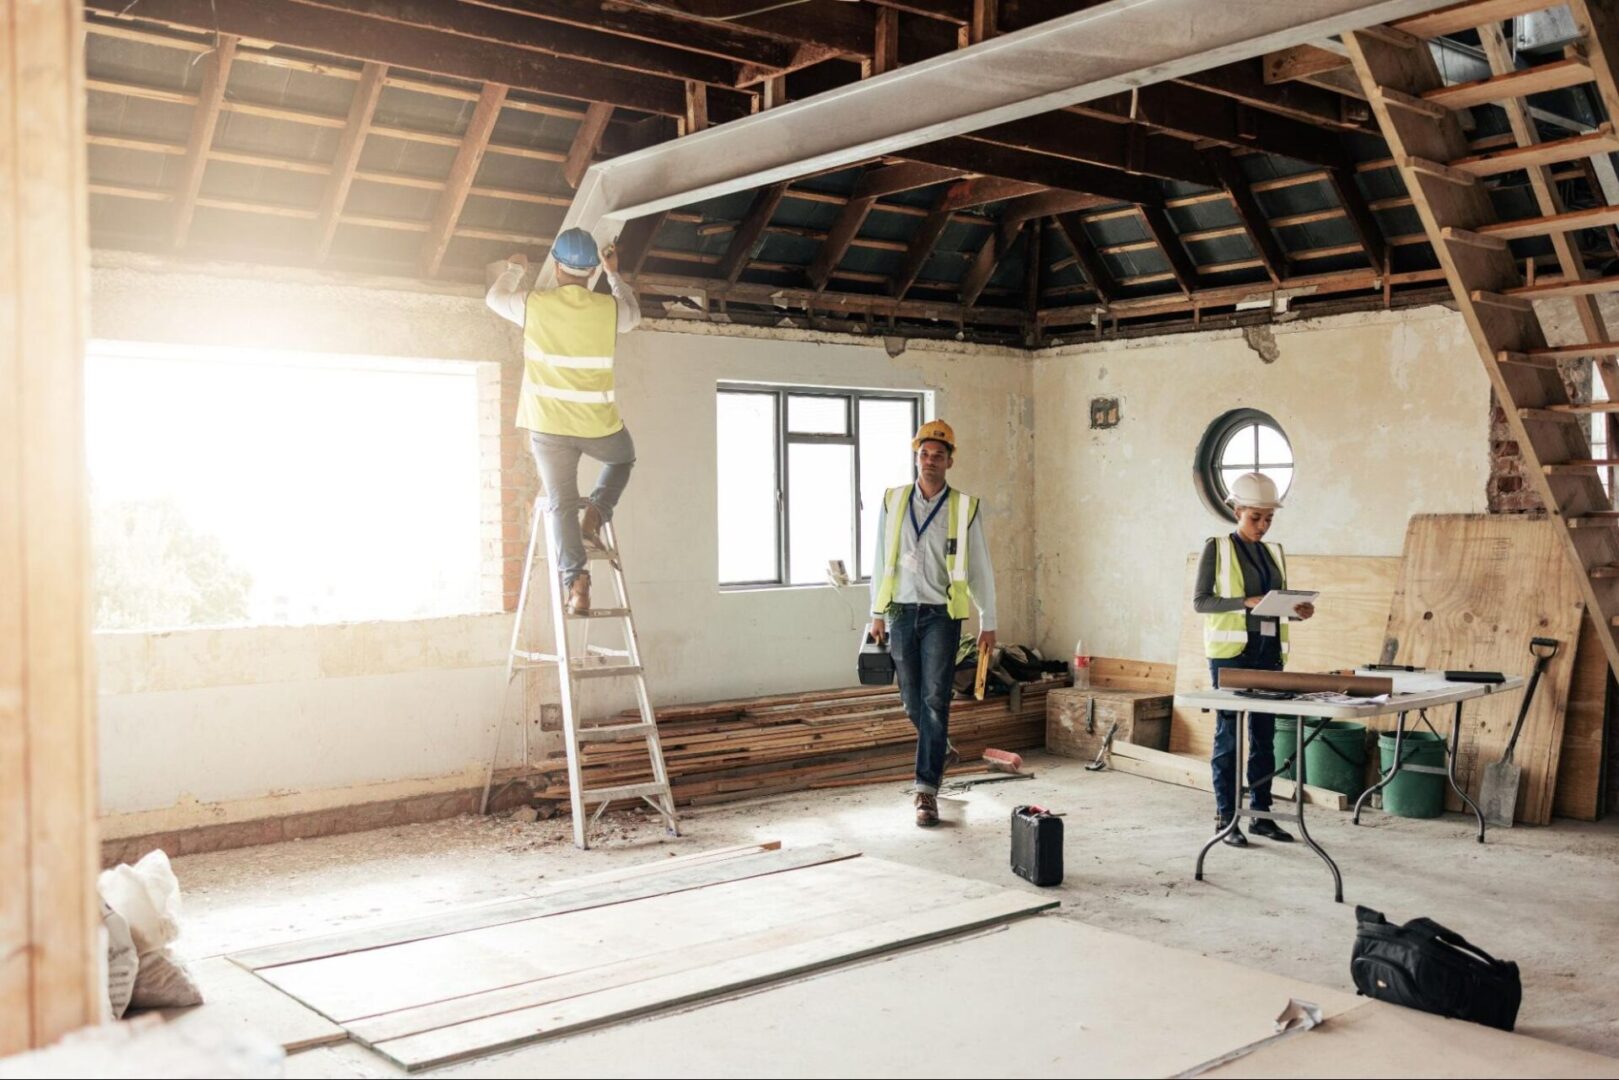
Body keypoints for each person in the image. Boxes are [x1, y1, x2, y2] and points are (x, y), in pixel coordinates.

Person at [486, 227, 641, 615]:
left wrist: (515, 269)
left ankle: (577, 582)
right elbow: (633, 314)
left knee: (560, 504)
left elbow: (494, 298)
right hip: (597, 426)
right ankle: (596, 516)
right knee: (623, 458)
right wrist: (614, 275)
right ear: (590, 271)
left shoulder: (533, 305)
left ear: (557, 267)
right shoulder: (608, 311)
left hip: (548, 426)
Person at [869, 420, 998, 828]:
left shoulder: (963, 507)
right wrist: (876, 611)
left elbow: (979, 567)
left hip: (943, 615)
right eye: (924, 454)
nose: (930, 461)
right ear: (916, 457)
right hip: (902, 613)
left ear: (950, 461)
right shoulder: (894, 501)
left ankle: (926, 790)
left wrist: (988, 619)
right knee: (911, 698)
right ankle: (938, 746)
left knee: (934, 699)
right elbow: (878, 558)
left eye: (938, 455)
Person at [1192, 471, 1315, 847]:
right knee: (1229, 739)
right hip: (1232, 657)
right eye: (1255, 518)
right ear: (1236, 510)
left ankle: (1261, 816)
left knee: (1265, 739)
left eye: (1268, 519)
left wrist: (1297, 610)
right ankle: (1226, 821)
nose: (1262, 526)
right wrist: (1243, 602)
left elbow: (1273, 605)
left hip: (1268, 655)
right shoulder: (1217, 548)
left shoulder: (1272, 552)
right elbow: (1201, 601)